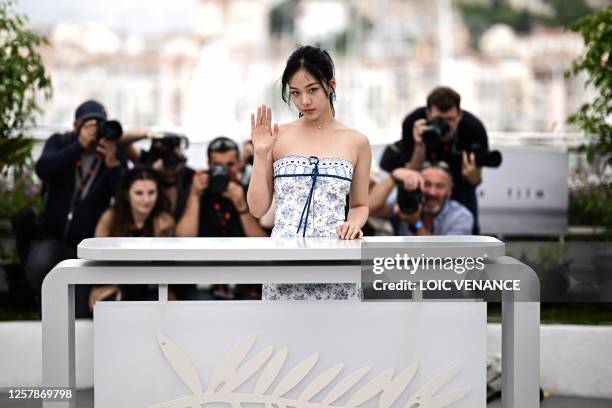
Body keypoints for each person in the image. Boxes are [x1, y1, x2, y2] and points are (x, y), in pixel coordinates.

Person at [247, 45, 371, 300]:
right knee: (279, 340)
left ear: (331, 84)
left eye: (312, 90)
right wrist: (260, 155)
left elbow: (360, 205)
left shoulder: (356, 141)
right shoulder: (278, 137)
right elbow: (257, 209)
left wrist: (353, 224)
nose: (304, 101)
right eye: (295, 93)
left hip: (337, 263)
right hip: (283, 263)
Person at [25, 100, 127, 317]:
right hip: (53, 235)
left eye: (99, 125)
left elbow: (124, 196)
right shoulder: (60, 142)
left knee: (79, 305)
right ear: (76, 126)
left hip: (88, 242)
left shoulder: (112, 153)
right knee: (39, 265)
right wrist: (78, 146)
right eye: (89, 124)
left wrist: (112, 164)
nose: (95, 130)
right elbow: (44, 169)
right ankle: (41, 309)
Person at [391, 86, 488, 234]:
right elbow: (410, 172)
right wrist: (419, 145)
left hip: (460, 184)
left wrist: (471, 175)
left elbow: (475, 180)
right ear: (428, 114)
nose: (445, 126)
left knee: (467, 225)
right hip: (424, 182)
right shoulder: (413, 123)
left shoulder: (474, 129)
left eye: (450, 120)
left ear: (459, 115)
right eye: (439, 120)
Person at [92, 166, 175, 308]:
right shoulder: (110, 218)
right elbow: (96, 259)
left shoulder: (165, 222)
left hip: (152, 287)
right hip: (114, 284)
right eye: (139, 193)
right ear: (126, 194)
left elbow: (169, 267)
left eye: (151, 193)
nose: (146, 199)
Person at [176, 136, 268, 238]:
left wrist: (242, 208)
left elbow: (262, 242)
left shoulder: (250, 192)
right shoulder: (195, 191)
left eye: (230, 164)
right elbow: (182, 239)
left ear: (239, 164)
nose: (224, 171)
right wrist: (194, 195)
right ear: (209, 164)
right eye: (218, 165)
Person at [371, 161, 473, 236]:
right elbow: (369, 209)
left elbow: (442, 257)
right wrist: (393, 178)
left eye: (439, 186)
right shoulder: (407, 203)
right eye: (427, 184)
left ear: (449, 190)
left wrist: (417, 223)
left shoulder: (461, 216)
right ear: (419, 184)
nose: (432, 192)